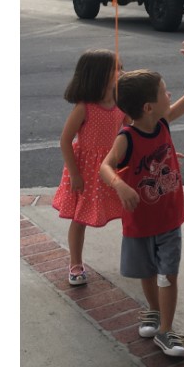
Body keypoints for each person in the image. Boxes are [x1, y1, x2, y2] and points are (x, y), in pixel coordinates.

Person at [99, 40, 184, 359]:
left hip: (169, 218)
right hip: (140, 221)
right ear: (148, 106)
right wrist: (121, 185)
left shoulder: (163, 123)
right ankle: (154, 311)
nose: (169, 95)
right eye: (164, 91)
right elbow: (104, 167)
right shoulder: (126, 138)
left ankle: (165, 331)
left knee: (167, 272)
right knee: (147, 272)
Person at [52, 49, 126, 286]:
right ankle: (75, 263)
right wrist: (74, 174)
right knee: (79, 218)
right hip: (86, 171)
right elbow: (65, 140)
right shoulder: (85, 107)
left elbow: (129, 132)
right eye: (117, 68)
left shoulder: (120, 103)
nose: (122, 72)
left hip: (113, 166)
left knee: (129, 210)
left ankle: (138, 256)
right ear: (99, 75)